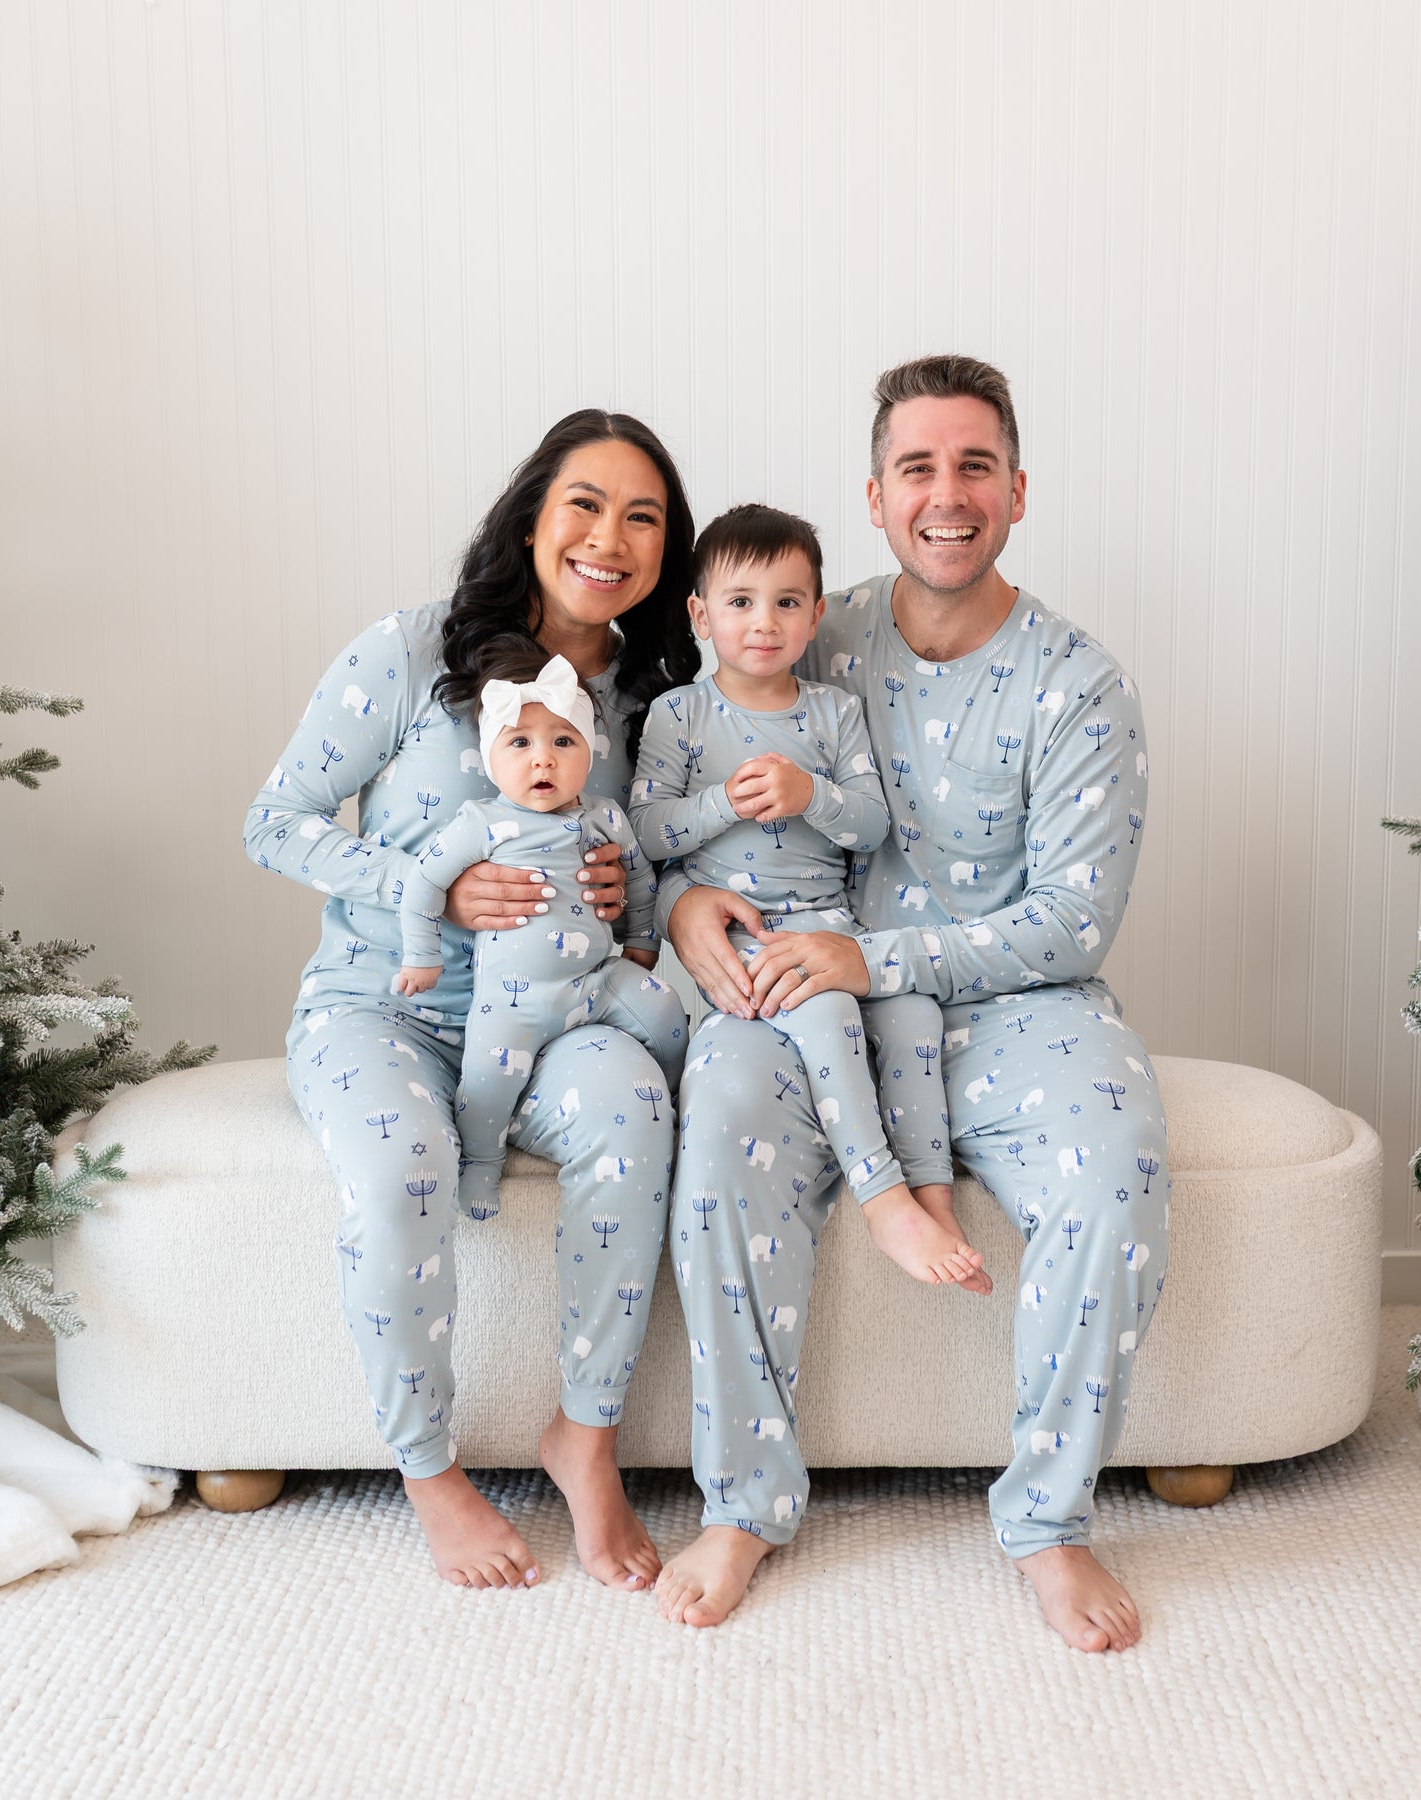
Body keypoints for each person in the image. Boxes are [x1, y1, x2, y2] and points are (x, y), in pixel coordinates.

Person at [654, 356, 1168, 1654]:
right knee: (717, 1125)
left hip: (1011, 1004)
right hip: (797, 990)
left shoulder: (1080, 685)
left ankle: (1047, 1521)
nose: (949, 496)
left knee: (1115, 1169)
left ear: (1018, 489)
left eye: (975, 465)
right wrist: (677, 910)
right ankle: (744, 1503)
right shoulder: (808, 633)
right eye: (920, 470)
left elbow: (1074, 920)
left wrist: (880, 964)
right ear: (876, 497)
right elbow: (681, 783)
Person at [244, 410, 699, 1593]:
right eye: (586, 506)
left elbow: (669, 860)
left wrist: (626, 894)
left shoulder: (664, 704)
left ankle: (586, 1442)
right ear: (533, 517)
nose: (611, 538)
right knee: (402, 1168)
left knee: (635, 1109)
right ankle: (430, 1471)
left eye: (643, 518)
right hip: (379, 1006)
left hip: (561, 1015)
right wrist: (425, 892)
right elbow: (275, 822)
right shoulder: (409, 653)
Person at [627, 503, 980, 1287]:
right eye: (740, 602)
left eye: (787, 602)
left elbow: (869, 825)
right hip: (746, 932)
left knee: (916, 1011)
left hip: (830, 925)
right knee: (825, 1012)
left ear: (815, 614)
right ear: (700, 614)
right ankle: (881, 1195)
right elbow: (646, 832)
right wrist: (724, 802)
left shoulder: (832, 712)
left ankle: (932, 1193)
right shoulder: (680, 714)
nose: (764, 622)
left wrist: (808, 793)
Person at [395, 640, 686, 1220]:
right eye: (520, 744)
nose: (543, 760)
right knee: (486, 1084)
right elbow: (423, 886)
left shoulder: (605, 816)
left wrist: (642, 943)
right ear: (491, 757)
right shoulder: (483, 823)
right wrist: (420, 956)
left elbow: (639, 879)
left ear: (587, 752)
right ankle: (480, 1161)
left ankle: (681, 1110)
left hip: (597, 981)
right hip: (514, 1001)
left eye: (562, 741)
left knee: (668, 1015)